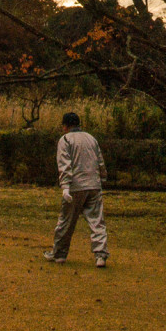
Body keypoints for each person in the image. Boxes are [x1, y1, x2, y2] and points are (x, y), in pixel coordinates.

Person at [44, 111, 109, 267]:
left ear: (65, 126)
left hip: (75, 186)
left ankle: (59, 254)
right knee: (97, 221)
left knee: (66, 221)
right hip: (94, 184)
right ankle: (100, 255)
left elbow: (64, 164)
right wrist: (102, 176)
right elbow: (99, 161)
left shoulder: (65, 140)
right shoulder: (91, 139)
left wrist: (65, 187)